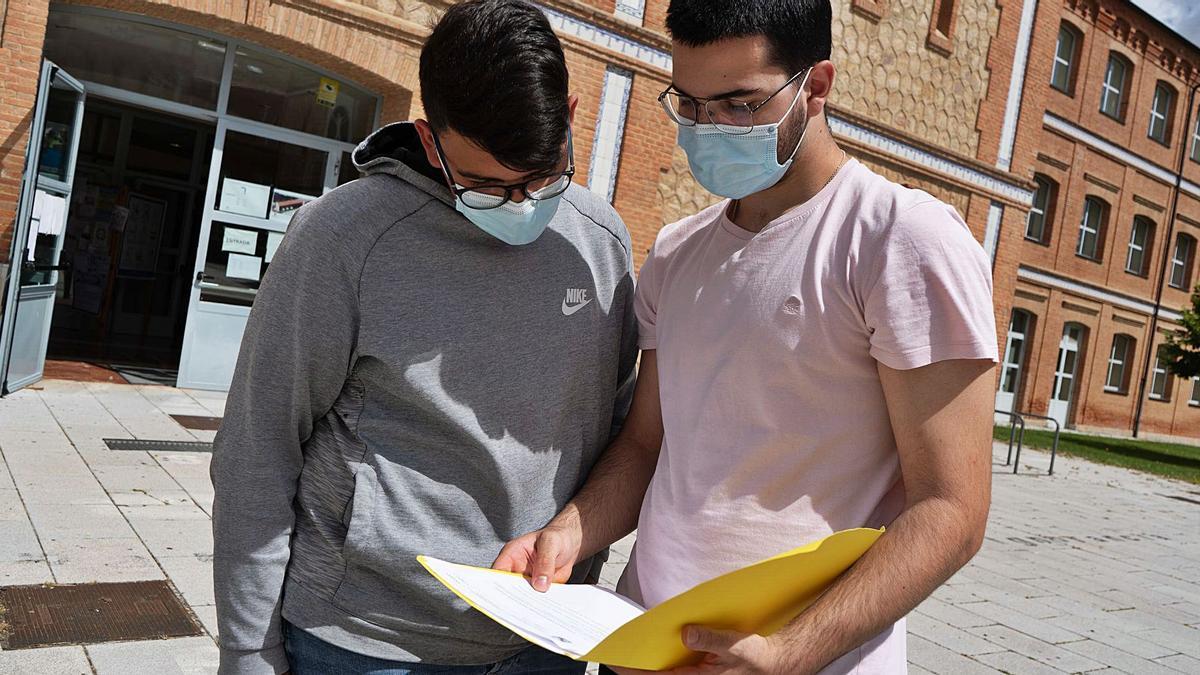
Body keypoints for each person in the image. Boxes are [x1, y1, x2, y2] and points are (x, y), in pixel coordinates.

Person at [495, 0, 999, 672]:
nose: (708, 128)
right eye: (692, 104)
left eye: (738, 104)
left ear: (816, 86)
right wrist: (567, 531)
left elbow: (951, 509)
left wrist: (789, 652)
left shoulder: (901, 240)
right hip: (640, 650)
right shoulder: (676, 252)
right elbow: (647, 446)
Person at [210, 1, 637, 673]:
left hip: (543, 641)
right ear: (430, 139)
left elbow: (618, 438)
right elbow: (257, 451)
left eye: (544, 176)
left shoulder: (602, 245)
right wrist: (247, 652)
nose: (523, 205)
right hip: (361, 642)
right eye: (486, 186)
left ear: (574, 115)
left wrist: (577, 566)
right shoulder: (342, 238)